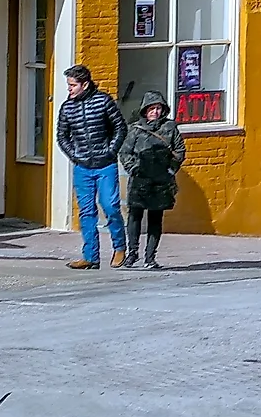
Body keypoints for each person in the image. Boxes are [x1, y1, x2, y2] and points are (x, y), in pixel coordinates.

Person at [54, 65, 126, 269]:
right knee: (86, 212)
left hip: (105, 164)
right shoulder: (67, 108)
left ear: (84, 84)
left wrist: (111, 151)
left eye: (73, 85)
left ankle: (120, 246)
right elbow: (62, 136)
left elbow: (120, 127)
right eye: (68, 85)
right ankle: (90, 257)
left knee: (110, 206)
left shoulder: (103, 101)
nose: (69, 89)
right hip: (82, 166)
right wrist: (75, 155)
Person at [120, 96, 186, 270]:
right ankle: (132, 253)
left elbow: (179, 150)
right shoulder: (135, 130)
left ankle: (150, 257)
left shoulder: (170, 128)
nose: (155, 112)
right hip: (140, 179)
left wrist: (170, 169)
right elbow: (125, 152)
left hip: (161, 180)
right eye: (151, 109)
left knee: (156, 218)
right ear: (145, 110)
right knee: (134, 216)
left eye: (158, 108)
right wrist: (134, 168)